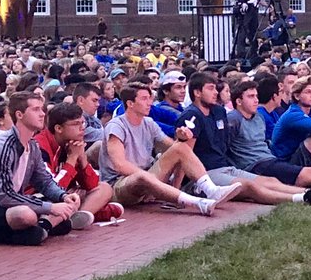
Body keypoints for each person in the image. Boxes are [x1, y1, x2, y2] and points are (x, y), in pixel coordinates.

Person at [178, 73, 311, 203]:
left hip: (227, 168)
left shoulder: (219, 112)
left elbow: (223, 145)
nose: (216, 92)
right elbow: (184, 154)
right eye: (211, 89)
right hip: (207, 172)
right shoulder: (192, 116)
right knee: (249, 186)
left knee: (271, 182)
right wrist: (178, 189)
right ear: (197, 93)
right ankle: (300, 198)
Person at [0, 93, 84, 245]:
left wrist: (63, 197)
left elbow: (44, 181)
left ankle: (42, 228)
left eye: (42, 109)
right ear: (19, 115)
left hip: (13, 204)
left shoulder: (32, 145)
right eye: (36, 109)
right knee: (26, 215)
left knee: (68, 207)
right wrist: (50, 208)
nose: (42, 114)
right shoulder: (0, 146)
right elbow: (5, 195)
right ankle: (42, 227)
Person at [98, 83, 242, 215]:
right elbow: (120, 165)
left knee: (181, 147)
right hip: (118, 185)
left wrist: (181, 138)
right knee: (142, 176)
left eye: (150, 98)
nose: (149, 103)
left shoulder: (148, 123)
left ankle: (211, 190)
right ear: (130, 103)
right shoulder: (116, 126)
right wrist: (150, 179)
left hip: (146, 179)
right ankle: (198, 203)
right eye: (144, 99)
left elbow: (173, 147)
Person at [32, 102, 123, 227]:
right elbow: (51, 188)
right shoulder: (40, 147)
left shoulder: (71, 143)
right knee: (77, 199)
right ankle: (82, 215)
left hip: (65, 195)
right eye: (76, 124)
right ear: (58, 128)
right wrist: (72, 158)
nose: (82, 128)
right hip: (38, 197)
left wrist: (82, 159)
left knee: (104, 188)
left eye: (82, 123)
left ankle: (77, 217)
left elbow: (92, 185)